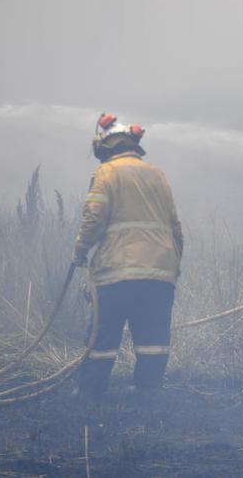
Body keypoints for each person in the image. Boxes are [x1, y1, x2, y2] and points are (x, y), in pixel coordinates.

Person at [72, 113, 184, 402]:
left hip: (117, 271)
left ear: (106, 147)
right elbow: (175, 227)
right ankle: (149, 392)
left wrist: (80, 251)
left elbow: (94, 219)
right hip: (160, 271)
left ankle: (90, 393)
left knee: (103, 336)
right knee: (154, 338)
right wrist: (173, 266)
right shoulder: (158, 174)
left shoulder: (106, 173)